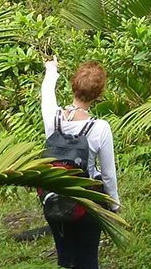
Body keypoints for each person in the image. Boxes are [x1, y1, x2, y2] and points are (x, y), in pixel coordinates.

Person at [41, 57, 120, 269]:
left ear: (73, 85)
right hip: (87, 204)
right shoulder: (100, 128)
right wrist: (113, 206)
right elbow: (108, 175)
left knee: (68, 260)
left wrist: (51, 68)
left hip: (54, 199)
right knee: (88, 260)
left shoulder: (52, 117)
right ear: (99, 94)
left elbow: (47, 92)